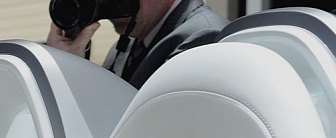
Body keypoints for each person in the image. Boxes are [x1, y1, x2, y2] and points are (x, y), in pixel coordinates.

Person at [47, 0, 229, 89]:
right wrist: (68, 61)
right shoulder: (124, 47)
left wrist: (69, 75)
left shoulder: (204, 37)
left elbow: (148, 130)